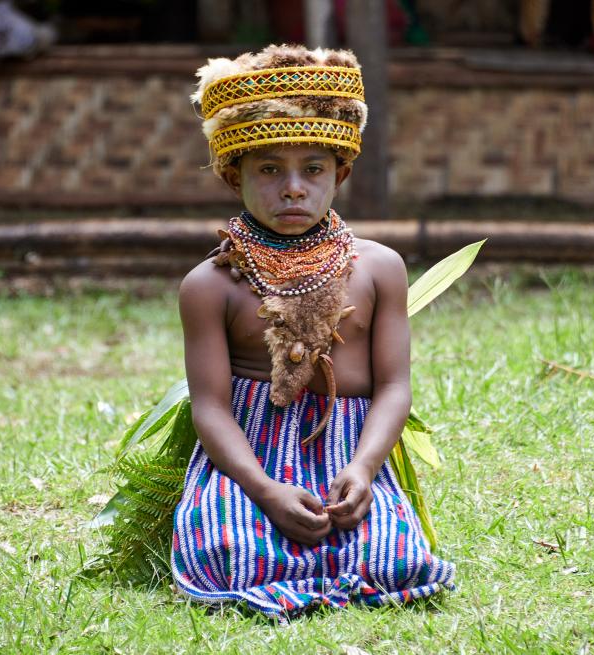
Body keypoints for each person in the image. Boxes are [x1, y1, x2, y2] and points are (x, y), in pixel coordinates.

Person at [171, 44, 455, 618]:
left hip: (349, 453)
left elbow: (394, 387)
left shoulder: (379, 268)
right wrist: (265, 491)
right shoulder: (210, 286)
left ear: (341, 174)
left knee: (395, 559)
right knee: (228, 549)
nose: (293, 188)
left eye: (314, 169)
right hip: (250, 459)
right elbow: (210, 409)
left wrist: (364, 469)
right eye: (270, 169)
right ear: (234, 176)